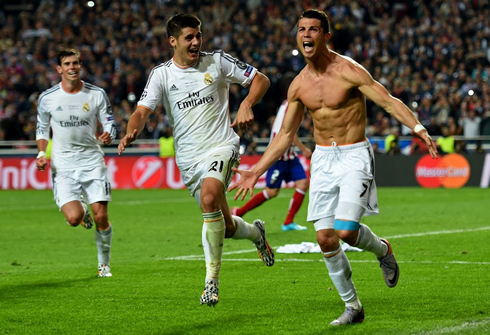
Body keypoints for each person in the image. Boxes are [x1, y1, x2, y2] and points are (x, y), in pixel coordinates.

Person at [231, 9, 438, 326]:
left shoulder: (349, 70)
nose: (306, 35)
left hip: (354, 155)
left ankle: (382, 250)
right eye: (302, 29)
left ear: (326, 36)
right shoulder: (298, 86)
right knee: (326, 238)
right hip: (323, 159)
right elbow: (286, 135)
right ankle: (353, 308)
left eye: (314, 29)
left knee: (345, 230)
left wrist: (419, 128)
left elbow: (387, 100)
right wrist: (255, 171)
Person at [117, 14, 274, 307]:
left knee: (209, 197)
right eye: (189, 37)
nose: (196, 42)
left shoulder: (216, 61)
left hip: (221, 146)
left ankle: (211, 283)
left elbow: (260, 80)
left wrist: (247, 102)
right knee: (225, 226)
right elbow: (141, 111)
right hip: (189, 160)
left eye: (198, 36)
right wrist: (131, 131)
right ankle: (255, 233)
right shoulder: (161, 74)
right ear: (172, 41)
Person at [36, 49, 116, 277]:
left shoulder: (96, 94)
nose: (72, 67)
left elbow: (109, 121)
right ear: (59, 69)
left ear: (80, 66)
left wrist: (109, 132)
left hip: (92, 162)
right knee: (73, 219)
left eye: (76, 63)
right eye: (67, 64)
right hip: (63, 166)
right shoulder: (47, 98)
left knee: (102, 217)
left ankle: (104, 264)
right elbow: (42, 129)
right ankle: (82, 210)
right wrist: (41, 154)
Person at [232, 99, 312, 231]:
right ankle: (239, 211)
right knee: (272, 191)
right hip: (279, 154)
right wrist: (303, 149)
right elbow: (288, 132)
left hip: (290, 154)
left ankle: (288, 222)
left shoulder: (291, 103)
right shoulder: (292, 105)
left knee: (303, 183)